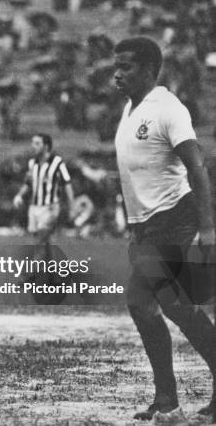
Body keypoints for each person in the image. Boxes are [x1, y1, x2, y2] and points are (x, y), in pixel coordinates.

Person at [113, 36, 216, 422]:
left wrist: (208, 229)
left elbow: (197, 166)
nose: (117, 74)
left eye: (126, 66)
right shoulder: (129, 110)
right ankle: (167, 400)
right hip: (146, 226)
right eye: (115, 66)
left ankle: (168, 402)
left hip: (173, 218)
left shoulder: (168, 108)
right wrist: (135, 226)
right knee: (162, 307)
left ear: (148, 69)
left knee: (150, 303)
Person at [13, 133, 74, 252]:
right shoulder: (32, 163)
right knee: (41, 240)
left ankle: (36, 268)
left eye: (37, 143)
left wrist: (72, 206)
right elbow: (28, 183)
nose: (33, 146)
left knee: (40, 239)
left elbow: (67, 184)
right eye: (32, 143)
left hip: (50, 207)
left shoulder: (57, 162)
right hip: (34, 207)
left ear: (46, 146)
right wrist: (19, 195)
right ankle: (51, 266)